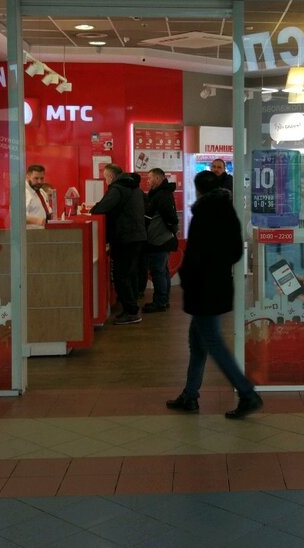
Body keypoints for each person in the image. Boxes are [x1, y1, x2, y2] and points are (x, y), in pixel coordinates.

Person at [167, 169, 263, 419]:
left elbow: (194, 255)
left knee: (213, 343)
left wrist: (188, 277)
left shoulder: (203, 214)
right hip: (218, 285)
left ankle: (247, 393)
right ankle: (190, 395)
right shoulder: (228, 211)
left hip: (203, 289)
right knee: (198, 342)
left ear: (198, 189)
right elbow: (236, 251)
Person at [91, 163, 146, 325]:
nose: (105, 181)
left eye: (105, 178)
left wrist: (94, 209)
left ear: (110, 176)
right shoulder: (135, 189)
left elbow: (100, 209)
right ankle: (131, 308)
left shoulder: (117, 189)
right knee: (130, 274)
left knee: (121, 276)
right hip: (137, 236)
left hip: (124, 238)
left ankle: (131, 312)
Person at [139, 168, 178, 313]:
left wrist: (171, 229)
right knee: (162, 271)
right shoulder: (161, 194)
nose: (147, 181)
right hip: (161, 238)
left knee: (158, 272)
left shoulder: (161, 195)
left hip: (159, 239)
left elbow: (170, 218)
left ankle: (160, 302)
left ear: (157, 179)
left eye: (149, 178)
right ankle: (163, 300)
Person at [25, 164, 52, 228]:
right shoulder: (23, 193)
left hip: (42, 231)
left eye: (42, 178)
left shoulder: (41, 191)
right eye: (36, 178)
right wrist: (37, 221)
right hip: (30, 232)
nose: (39, 182)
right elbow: (17, 217)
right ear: (28, 177)